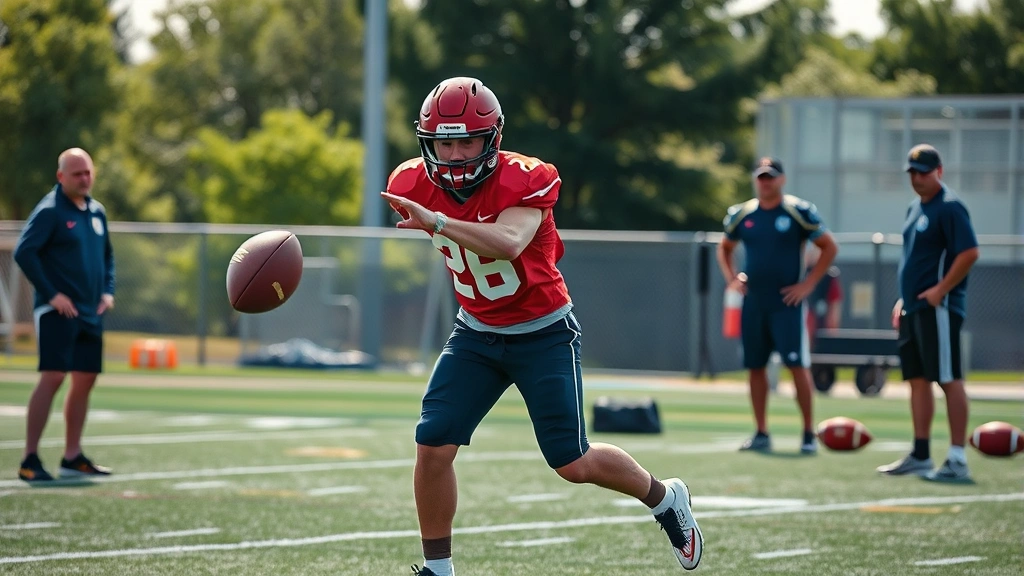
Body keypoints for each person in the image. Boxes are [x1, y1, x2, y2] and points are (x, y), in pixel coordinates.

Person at [381, 77, 703, 575]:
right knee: (432, 444)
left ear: (493, 139)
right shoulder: (410, 182)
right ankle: (438, 571)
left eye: (467, 139)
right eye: (444, 141)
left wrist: (438, 222)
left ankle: (665, 498)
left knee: (572, 462)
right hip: (476, 331)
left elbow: (509, 241)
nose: (455, 153)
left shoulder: (526, 178)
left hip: (542, 332)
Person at [716, 157, 838, 455]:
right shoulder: (742, 214)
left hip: (787, 304)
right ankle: (761, 431)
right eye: (761, 176)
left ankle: (809, 432)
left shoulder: (797, 211)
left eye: (771, 177)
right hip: (754, 302)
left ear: (781, 179)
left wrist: (807, 285)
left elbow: (828, 247)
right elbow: (725, 246)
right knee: (755, 367)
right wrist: (733, 278)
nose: (765, 182)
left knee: (797, 365)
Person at [876, 144, 979, 483]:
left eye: (923, 171)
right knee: (917, 380)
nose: (917, 178)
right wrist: (903, 300)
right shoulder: (915, 207)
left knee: (947, 379)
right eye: (912, 172)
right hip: (914, 307)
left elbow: (968, 253)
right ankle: (921, 454)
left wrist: (940, 290)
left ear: (939, 171)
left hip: (939, 307)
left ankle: (957, 458)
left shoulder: (949, 207)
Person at [13, 148, 115, 482]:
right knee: (54, 375)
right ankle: (30, 458)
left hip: (91, 311)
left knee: (85, 378)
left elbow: (108, 258)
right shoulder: (49, 212)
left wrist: (107, 292)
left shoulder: (97, 212)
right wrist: (52, 294)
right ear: (61, 177)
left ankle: (72, 456)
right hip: (59, 311)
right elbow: (25, 252)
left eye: (88, 172)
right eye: (77, 174)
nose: (84, 179)